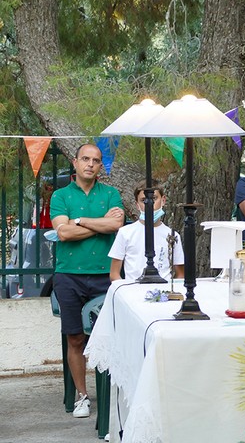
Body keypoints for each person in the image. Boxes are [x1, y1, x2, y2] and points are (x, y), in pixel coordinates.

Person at [50, 143, 124, 418]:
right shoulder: (60, 195)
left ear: (100, 166)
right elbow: (64, 234)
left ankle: (112, 393)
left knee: (110, 338)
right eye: (85, 159)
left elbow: (115, 225)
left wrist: (78, 221)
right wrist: (97, 224)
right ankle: (82, 395)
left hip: (106, 276)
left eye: (95, 160)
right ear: (75, 162)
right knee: (75, 339)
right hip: (69, 275)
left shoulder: (111, 194)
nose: (90, 164)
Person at [108, 180, 184, 282]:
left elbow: (180, 274)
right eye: (143, 200)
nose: (149, 204)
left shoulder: (172, 235)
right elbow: (114, 274)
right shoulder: (125, 233)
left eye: (154, 198)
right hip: (133, 291)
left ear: (163, 200)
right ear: (137, 204)